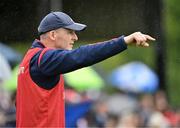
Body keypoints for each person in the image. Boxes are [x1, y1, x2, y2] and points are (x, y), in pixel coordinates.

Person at [16, 11, 155, 127]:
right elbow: (82, 55)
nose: (75, 37)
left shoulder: (29, 58)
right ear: (53, 35)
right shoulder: (45, 58)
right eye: (70, 32)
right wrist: (122, 42)